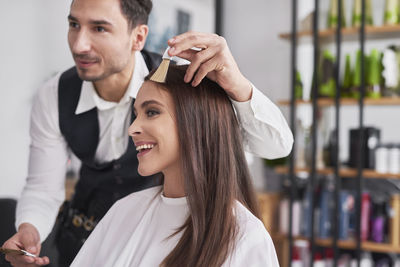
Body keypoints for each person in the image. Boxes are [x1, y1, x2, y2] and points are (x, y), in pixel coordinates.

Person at [2, 0, 293, 265]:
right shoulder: (54, 95)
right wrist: (30, 228)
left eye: (99, 28)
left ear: (138, 37)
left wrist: (237, 84)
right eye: (73, 25)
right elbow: (42, 186)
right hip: (88, 238)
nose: (79, 45)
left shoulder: (178, 82)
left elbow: (276, 146)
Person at [71, 64, 280, 267]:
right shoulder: (124, 212)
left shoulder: (245, 237)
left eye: (151, 112)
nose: (132, 128)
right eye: (135, 115)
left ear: (195, 121)